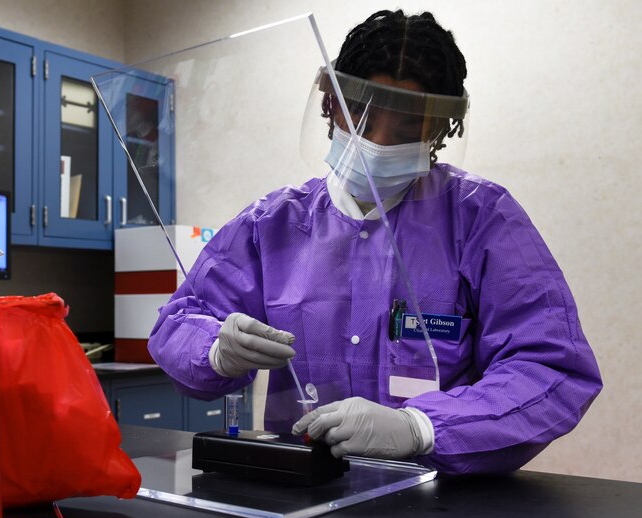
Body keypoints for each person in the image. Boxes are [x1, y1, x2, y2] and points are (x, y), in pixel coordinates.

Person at [147, 10, 601, 475]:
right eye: (362, 120)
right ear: (330, 104)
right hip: (299, 493)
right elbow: (179, 322)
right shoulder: (273, 223)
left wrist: (421, 428)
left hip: (441, 503)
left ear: (439, 130)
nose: (378, 145)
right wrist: (215, 350)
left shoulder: (481, 218)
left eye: (405, 131)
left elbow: (553, 368)